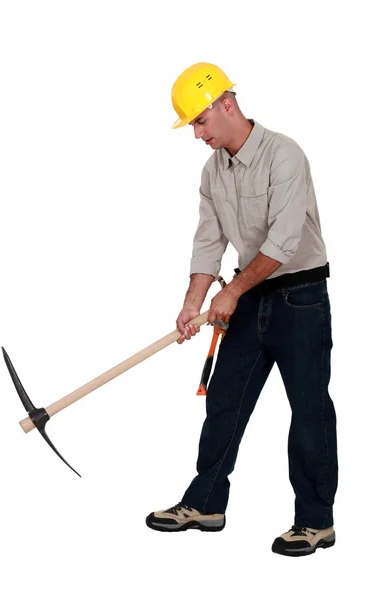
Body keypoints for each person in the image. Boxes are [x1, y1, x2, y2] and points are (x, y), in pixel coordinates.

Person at [145, 62, 338, 557]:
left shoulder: (284, 155)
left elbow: (286, 241)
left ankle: (315, 523)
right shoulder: (212, 171)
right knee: (225, 401)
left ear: (225, 104)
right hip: (250, 301)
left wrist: (230, 293)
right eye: (192, 125)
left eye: (200, 121)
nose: (196, 134)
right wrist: (192, 304)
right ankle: (205, 503)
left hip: (300, 299)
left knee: (310, 412)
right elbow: (208, 242)